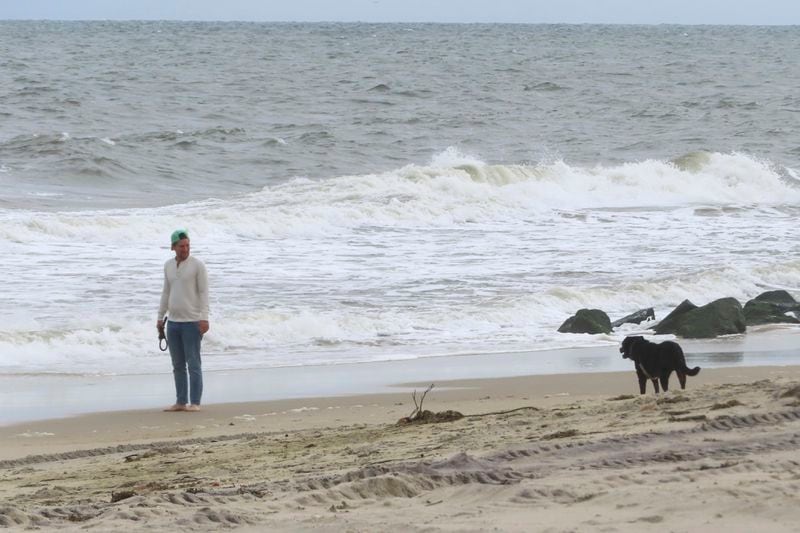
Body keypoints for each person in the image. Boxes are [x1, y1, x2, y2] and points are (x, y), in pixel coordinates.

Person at [157, 229, 209, 412]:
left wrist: (204, 318)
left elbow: (203, 293)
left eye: (187, 245)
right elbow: (166, 292)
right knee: (177, 365)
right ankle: (180, 401)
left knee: (193, 363)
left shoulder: (197, 265)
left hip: (192, 322)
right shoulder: (168, 266)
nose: (185, 249)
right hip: (173, 323)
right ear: (173, 247)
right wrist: (160, 317)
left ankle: (194, 402)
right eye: (181, 246)